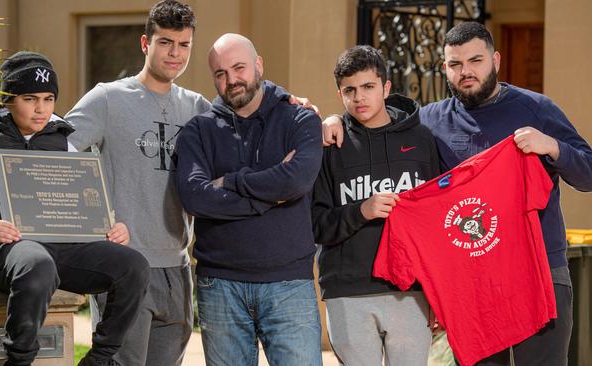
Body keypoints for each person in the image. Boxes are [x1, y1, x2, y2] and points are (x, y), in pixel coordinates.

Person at [322, 21, 592, 366]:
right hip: (472, 279)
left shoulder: (536, 109)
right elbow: (380, 129)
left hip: (537, 271)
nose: (466, 72)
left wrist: (552, 147)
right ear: (444, 69)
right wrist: (334, 120)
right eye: (455, 64)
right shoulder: (430, 123)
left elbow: (587, 175)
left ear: (495, 60)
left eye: (475, 61)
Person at [0, 51, 150, 366]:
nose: (41, 109)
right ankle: (19, 361)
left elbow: (87, 208)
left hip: (63, 247)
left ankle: (99, 359)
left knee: (133, 266)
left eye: (48, 98)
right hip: (7, 251)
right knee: (38, 264)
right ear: (8, 99)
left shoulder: (64, 144)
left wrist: (111, 226)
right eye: (30, 99)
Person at [64, 2, 208, 364]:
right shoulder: (108, 98)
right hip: (124, 266)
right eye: (165, 43)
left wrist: (295, 104)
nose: (175, 53)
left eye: (184, 44)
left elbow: (248, 129)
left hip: (177, 269)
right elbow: (57, 152)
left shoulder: (198, 109)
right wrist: (94, 218)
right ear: (146, 43)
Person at [175, 33, 323, 365]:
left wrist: (230, 181)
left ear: (258, 65)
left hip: (288, 283)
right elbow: (196, 198)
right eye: (220, 73)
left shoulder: (300, 118)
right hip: (220, 284)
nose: (231, 80)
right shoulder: (198, 131)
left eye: (238, 68)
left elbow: (297, 180)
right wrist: (269, 197)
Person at [312, 45, 440, 366]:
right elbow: (316, 224)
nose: (359, 98)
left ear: (385, 87)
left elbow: (436, 223)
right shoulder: (331, 145)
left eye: (368, 87)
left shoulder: (422, 140)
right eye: (349, 90)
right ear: (339, 93)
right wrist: (361, 211)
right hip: (348, 289)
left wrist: (439, 292)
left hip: (410, 291)